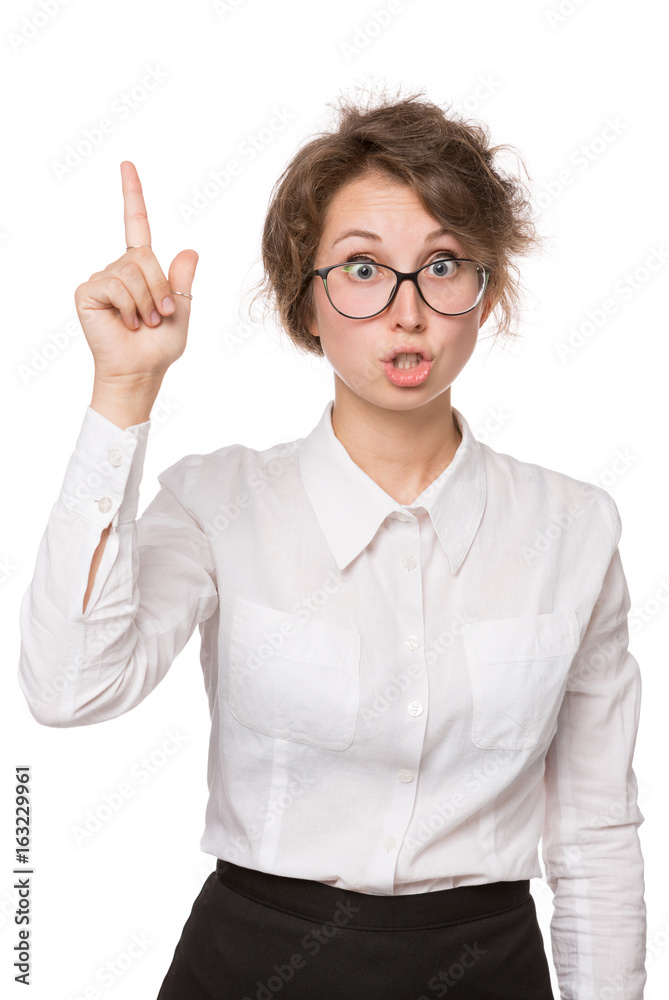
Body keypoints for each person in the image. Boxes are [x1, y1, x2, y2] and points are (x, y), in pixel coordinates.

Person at [18, 88, 646, 999]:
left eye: (441, 265)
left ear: (487, 294)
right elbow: (69, 689)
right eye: (360, 267)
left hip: (487, 972)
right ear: (304, 304)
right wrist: (123, 393)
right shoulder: (218, 502)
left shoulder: (573, 529)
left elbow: (595, 835)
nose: (406, 310)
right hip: (251, 968)